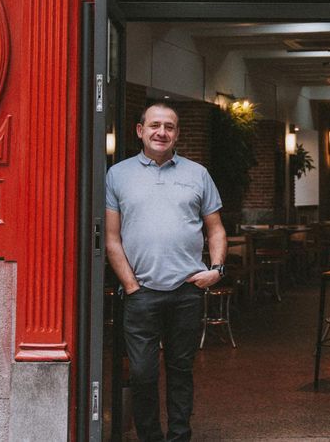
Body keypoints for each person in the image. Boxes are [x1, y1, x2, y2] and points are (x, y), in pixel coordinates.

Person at [105, 101, 227, 442]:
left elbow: (215, 229)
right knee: (143, 374)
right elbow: (111, 238)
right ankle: (150, 437)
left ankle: (179, 436)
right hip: (141, 292)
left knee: (180, 371)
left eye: (169, 127)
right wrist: (130, 285)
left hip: (187, 290)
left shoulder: (197, 174)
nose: (162, 132)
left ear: (177, 134)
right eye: (155, 125)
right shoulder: (118, 175)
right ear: (140, 130)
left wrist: (215, 270)